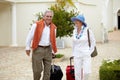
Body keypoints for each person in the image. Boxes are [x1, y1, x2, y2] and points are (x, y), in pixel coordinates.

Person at [25, 10, 57, 80]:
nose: (49, 18)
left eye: (50, 16)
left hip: (48, 49)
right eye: (47, 16)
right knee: (37, 71)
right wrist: (27, 47)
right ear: (43, 17)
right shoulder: (36, 25)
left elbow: (53, 40)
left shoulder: (54, 27)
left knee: (47, 72)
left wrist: (53, 51)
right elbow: (29, 36)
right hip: (38, 49)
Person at [71, 15, 96, 80]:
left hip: (86, 54)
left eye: (77, 21)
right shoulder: (74, 31)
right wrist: (73, 53)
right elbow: (73, 43)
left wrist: (89, 52)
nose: (75, 22)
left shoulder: (88, 30)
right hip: (77, 54)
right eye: (75, 20)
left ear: (81, 22)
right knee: (77, 73)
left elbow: (93, 42)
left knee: (87, 72)